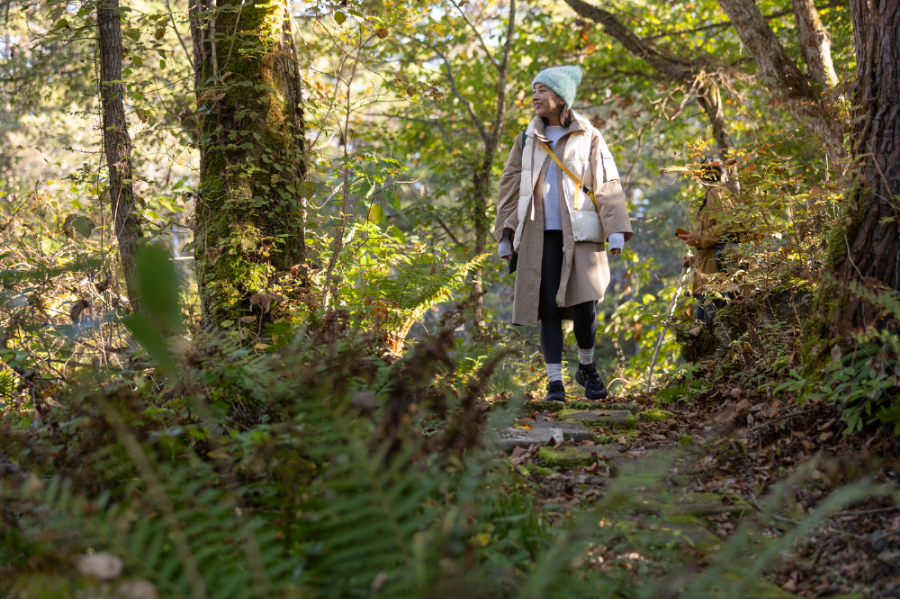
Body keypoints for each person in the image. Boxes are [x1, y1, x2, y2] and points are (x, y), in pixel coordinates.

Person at [493, 65, 633, 403]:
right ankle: (554, 382)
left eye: (542, 90)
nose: (535, 96)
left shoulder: (589, 135)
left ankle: (586, 366)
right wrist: (505, 234)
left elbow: (607, 181)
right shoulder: (526, 139)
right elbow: (509, 188)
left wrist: (615, 230)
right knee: (548, 309)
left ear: (561, 97)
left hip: (582, 232)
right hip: (537, 235)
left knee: (586, 304)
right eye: (534, 90)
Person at [677, 158, 734, 323]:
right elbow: (713, 241)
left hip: (717, 277)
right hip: (709, 275)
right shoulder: (715, 193)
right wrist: (694, 260)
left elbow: (725, 227)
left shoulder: (716, 192)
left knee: (712, 325)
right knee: (702, 326)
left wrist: (695, 237)